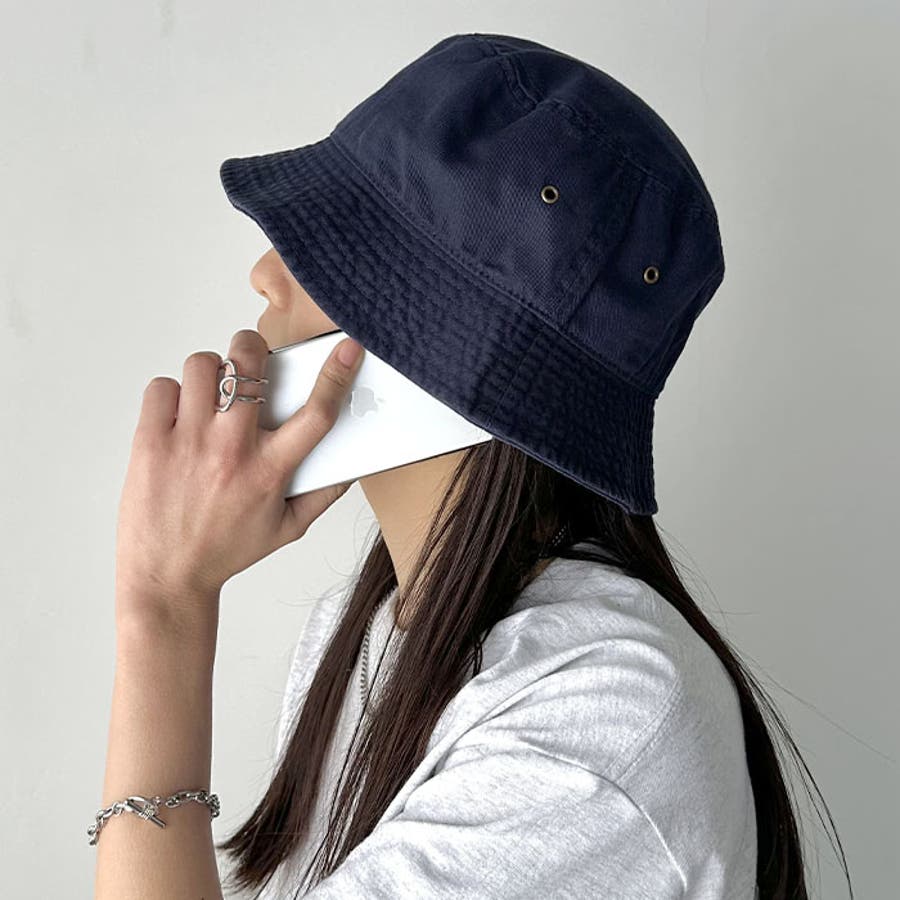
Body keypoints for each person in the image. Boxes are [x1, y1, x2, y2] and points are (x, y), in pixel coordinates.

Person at [94, 32, 850, 900]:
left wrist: (163, 605)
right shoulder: (375, 629)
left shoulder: (602, 718)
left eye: (340, 256)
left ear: (454, 363)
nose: (266, 273)